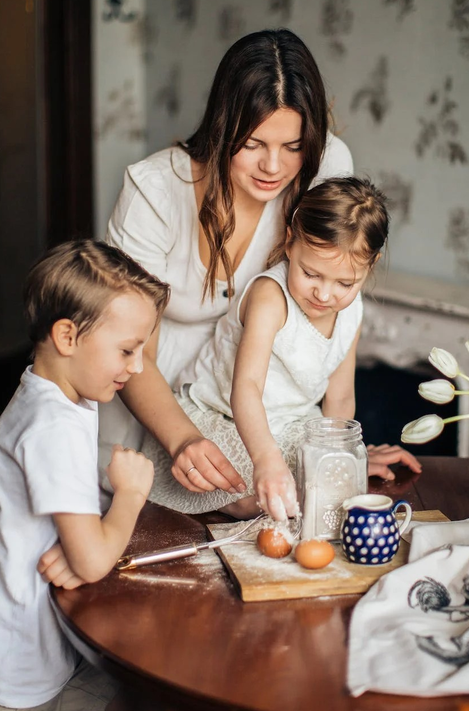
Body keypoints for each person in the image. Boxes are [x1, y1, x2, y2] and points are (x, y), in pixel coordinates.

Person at [98, 27, 419, 497]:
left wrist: (336, 453)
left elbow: (335, 266)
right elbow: (128, 348)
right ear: (223, 127)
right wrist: (183, 437)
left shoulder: (323, 164)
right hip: (148, 400)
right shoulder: (154, 191)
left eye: (292, 147)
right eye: (253, 144)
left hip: (262, 418)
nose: (274, 167)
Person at [142, 177, 421, 520]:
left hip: (293, 425)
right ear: (290, 243)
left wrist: (342, 457)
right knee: (259, 494)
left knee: (329, 486)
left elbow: (340, 397)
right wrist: (266, 461)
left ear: (370, 266)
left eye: (344, 283)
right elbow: (246, 389)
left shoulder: (353, 310)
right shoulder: (270, 298)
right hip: (224, 417)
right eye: (310, 273)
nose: (324, 294)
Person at [0, 240, 169, 711]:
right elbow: (92, 561)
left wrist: (78, 544)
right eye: (128, 350)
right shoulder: (52, 427)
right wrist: (131, 494)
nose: (136, 367)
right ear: (67, 337)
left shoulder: (57, 394)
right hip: (16, 675)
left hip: (43, 645)